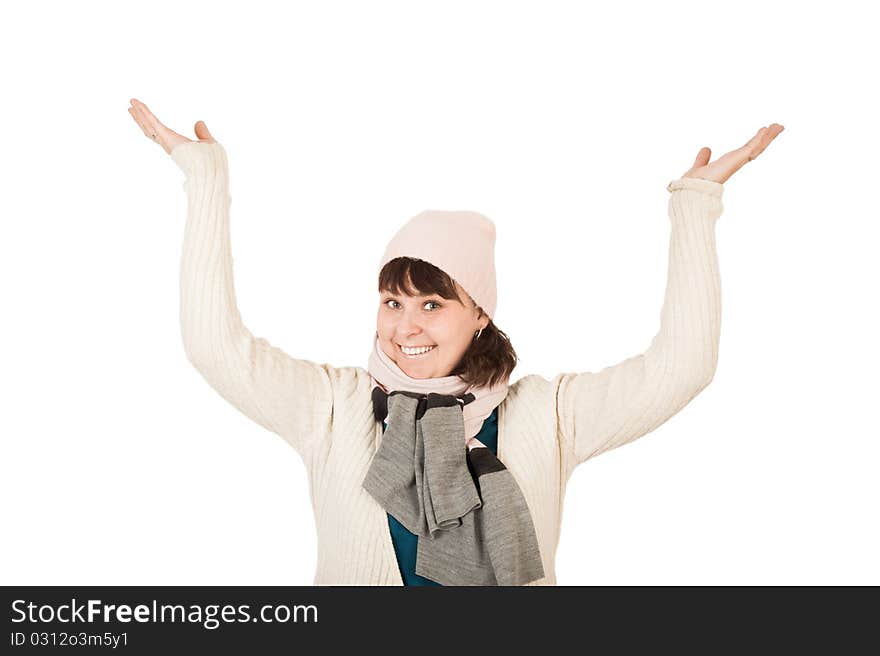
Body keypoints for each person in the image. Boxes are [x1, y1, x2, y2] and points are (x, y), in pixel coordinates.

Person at [128, 98, 783, 585]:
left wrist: (694, 204)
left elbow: (683, 366)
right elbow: (215, 345)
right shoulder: (333, 407)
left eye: (433, 303)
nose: (404, 326)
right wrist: (206, 178)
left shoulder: (546, 415)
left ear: (479, 316)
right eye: (393, 301)